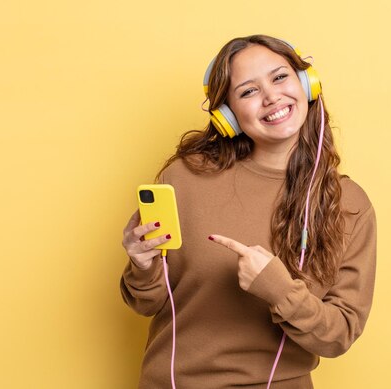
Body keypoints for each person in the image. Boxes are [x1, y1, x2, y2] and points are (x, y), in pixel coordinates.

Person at [121, 34, 377, 388]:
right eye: (248, 91)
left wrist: (278, 289)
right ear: (228, 116)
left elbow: (339, 335)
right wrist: (142, 264)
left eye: (279, 77)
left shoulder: (349, 204)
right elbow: (145, 303)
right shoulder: (183, 178)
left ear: (307, 83)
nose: (271, 97)